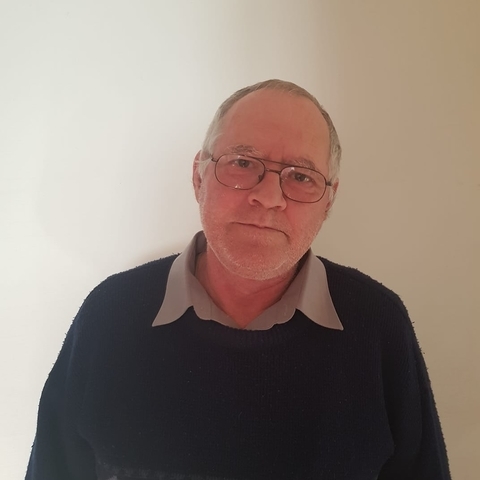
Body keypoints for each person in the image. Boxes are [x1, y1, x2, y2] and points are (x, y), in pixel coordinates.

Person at [26, 79, 451, 480]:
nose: (267, 197)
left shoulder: (377, 325)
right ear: (199, 176)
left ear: (328, 201)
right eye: (243, 163)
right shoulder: (109, 315)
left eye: (301, 176)